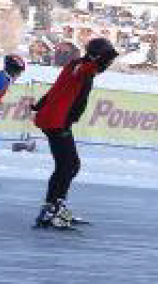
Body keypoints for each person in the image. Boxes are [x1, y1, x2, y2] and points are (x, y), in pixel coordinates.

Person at [32, 37, 118, 229]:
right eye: (108, 61)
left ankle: (51, 208)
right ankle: (54, 210)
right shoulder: (83, 67)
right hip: (56, 122)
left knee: (67, 165)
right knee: (69, 165)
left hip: (55, 119)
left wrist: (40, 104)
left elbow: (57, 88)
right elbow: (90, 68)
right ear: (99, 57)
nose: (109, 65)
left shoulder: (75, 66)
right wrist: (109, 55)